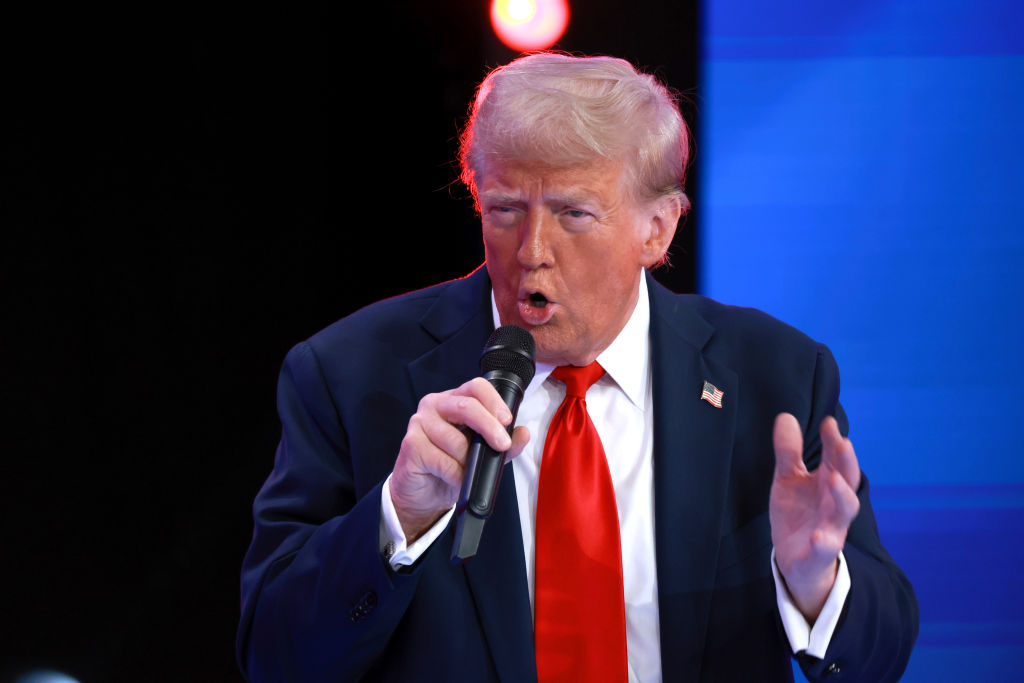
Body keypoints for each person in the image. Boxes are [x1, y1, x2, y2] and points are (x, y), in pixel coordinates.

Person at [237, 53, 918, 682]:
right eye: (504, 209)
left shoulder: (776, 376)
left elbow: (881, 655)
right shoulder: (350, 375)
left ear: (658, 228)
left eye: (573, 214)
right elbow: (273, 655)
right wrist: (396, 521)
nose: (532, 249)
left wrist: (815, 582)